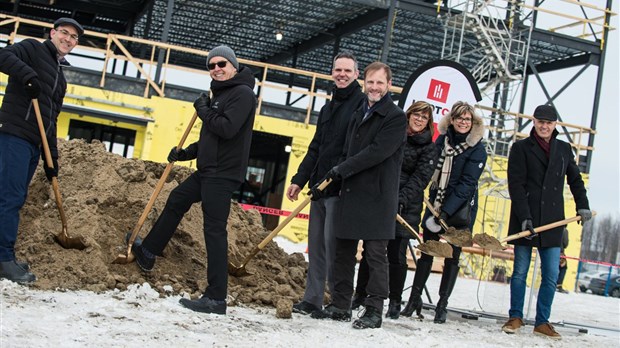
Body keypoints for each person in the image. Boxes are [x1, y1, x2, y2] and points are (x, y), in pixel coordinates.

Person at [130, 45, 256, 315]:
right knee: (177, 199)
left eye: (222, 64)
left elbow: (226, 128)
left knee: (214, 231)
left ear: (233, 65)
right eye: (211, 66)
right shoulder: (220, 95)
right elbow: (212, 137)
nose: (217, 69)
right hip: (208, 169)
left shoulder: (243, 94)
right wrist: (187, 153)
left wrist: (203, 111)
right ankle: (149, 252)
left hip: (222, 174)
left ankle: (216, 298)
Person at [310, 62, 407, 329]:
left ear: (389, 85)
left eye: (379, 83)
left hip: (377, 196)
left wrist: (342, 169)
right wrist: (332, 175)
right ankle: (341, 304)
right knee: (343, 252)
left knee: (375, 255)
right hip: (351, 193)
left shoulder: (396, 117)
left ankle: (375, 310)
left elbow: (376, 152)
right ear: (364, 83)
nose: (374, 87)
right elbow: (346, 150)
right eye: (370, 82)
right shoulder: (359, 113)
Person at [0, 17, 84, 283]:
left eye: (73, 37)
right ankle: (3, 259)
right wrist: (27, 75)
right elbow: (3, 56)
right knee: (9, 198)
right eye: (64, 33)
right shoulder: (32, 49)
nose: (68, 39)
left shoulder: (61, 78)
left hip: (35, 145)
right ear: (52, 33)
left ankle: (4, 256)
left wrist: (53, 159)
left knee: (15, 198)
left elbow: (51, 120)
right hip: (14, 136)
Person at [502, 105, 591, 339]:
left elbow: (575, 179)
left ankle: (542, 322)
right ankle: (515, 316)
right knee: (520, 271)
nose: (544, 126)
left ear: (555, 125)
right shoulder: (520, 148)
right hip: (526, 218)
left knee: (551, 273)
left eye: (549, 123)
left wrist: (583, 204)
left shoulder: (563, 149)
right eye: (540, 121)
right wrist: (524, 217)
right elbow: (516, 185)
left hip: (552, 221)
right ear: (534, 121)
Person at [286, 52, 365, 315]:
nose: (341, 75)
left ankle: (337, 301)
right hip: (318, 188)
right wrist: (299, 179)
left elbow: (353, 150)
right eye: (337, 70)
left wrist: (335, 176)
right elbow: (316, 147)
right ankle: (312, 298)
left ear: (356, 74)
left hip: (341, 189)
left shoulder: (361, 106)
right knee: (317, 246)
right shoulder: (328, 108)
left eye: (347, 70)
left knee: (335, 250)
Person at [351, 101, 438, 319]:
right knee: (371, 249)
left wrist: (399, 200)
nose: (419, 119)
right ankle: (360, 294)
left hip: (405, 206)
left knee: (397, 255)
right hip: (381, 198)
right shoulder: (395, 134)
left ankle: (395, 300)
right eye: (416, 114)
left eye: (424, 117)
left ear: (428, 123)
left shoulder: (429, 147)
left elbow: (420, 179)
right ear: (408, 115)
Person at [402, 101, 487, 323]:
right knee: (427, 252)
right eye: (459, 118)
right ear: (451, 120)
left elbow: (467, 185)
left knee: (452, 257)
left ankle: (442, 305)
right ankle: (414, 299)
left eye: (467, 119)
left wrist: (446, 214)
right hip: (435, 204)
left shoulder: (477, 148)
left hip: (459, 210)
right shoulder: (442, 140)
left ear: (473, 122)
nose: (463, 122)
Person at [556, 228, 569, 293]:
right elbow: (565, 243)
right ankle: (558, 285)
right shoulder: (564, 230)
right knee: (563, 268)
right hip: (560, 252)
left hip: (548, 250)